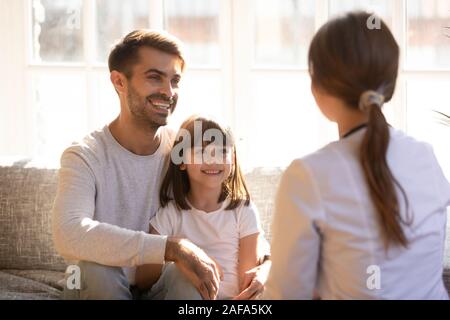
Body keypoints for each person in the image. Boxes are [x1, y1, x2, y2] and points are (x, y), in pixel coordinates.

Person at [51, 29, 269, 300]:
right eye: (155, 77)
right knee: (96, 271)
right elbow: (68, 233)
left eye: (174, 81)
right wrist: (171, 248)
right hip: (90, 283)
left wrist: (267, 264)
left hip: (156, 287)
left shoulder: (185, 150)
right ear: (119, 81)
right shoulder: (84, 155)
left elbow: (229, 214)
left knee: (185, 273)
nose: (168, 92)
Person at [263, 12, 450, 300]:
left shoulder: (307, 176)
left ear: (318, 87)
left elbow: (286, 295)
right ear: (390, 84)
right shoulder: (426, 157)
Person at [135, 115, 270, 300]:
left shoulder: (243, 210)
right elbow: (143, 277)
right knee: (181, 278)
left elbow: (247, 281)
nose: (213, 159)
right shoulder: (171, 214)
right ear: (181, 160)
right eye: (202, 152)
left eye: (222, 151)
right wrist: (181, 260)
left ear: (234, 158)